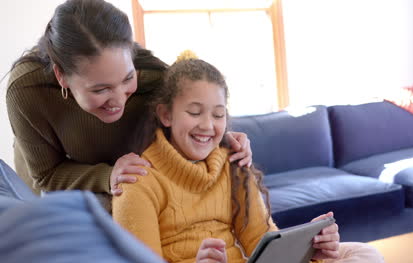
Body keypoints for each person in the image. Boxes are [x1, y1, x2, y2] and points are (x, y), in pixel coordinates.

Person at [112, 52, 384, 263]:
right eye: (195, 112)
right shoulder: (137, 180)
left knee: (363, 254)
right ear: (166, 115)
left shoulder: (232, 164)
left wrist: (308, 248)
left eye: (218, 114)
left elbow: (262, 242)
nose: (208, 125)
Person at [5, 0, 252, 212]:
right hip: (58, 185)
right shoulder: (27, 91)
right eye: (100, 89)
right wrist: (107, 175)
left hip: (129, 179)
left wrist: (219, 138)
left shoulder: (154, 77)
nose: (119, 100)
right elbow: (46, 175)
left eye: (127, 79)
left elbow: (192, 118)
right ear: (61, 77)